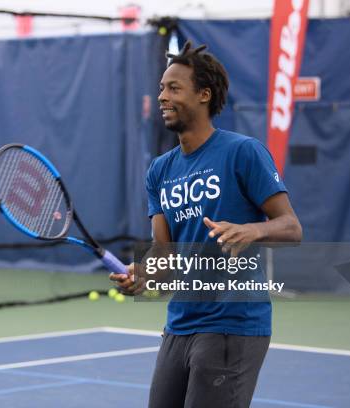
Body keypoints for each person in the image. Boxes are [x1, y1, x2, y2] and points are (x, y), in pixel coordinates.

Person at [109, 41, 302, 408]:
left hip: (233, 324)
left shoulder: (242, 152)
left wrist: (252, 230)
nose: (162, 96)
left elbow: (292, 227)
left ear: (204, 95)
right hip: (179, 325)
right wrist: (144, 274)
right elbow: (164, 256)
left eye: (173, 88)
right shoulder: (159, 171)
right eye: (161, 88)